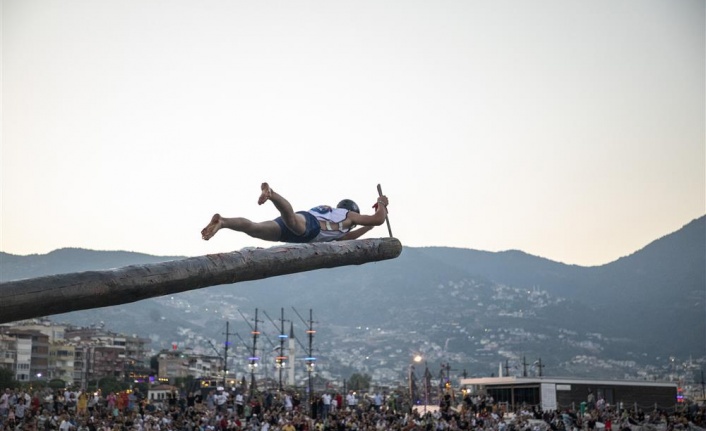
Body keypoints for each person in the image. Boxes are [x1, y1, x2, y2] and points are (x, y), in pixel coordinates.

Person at [201, 182, 389, 244]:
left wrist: (369, 227)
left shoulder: (333, 215)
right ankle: (272, 194)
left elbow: (347, 237)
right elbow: (379, 219)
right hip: (311, 227)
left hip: (303, 225)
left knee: (255, 228)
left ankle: (223, 222)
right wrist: (382, 204)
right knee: (290, 219)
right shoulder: (348, 215)